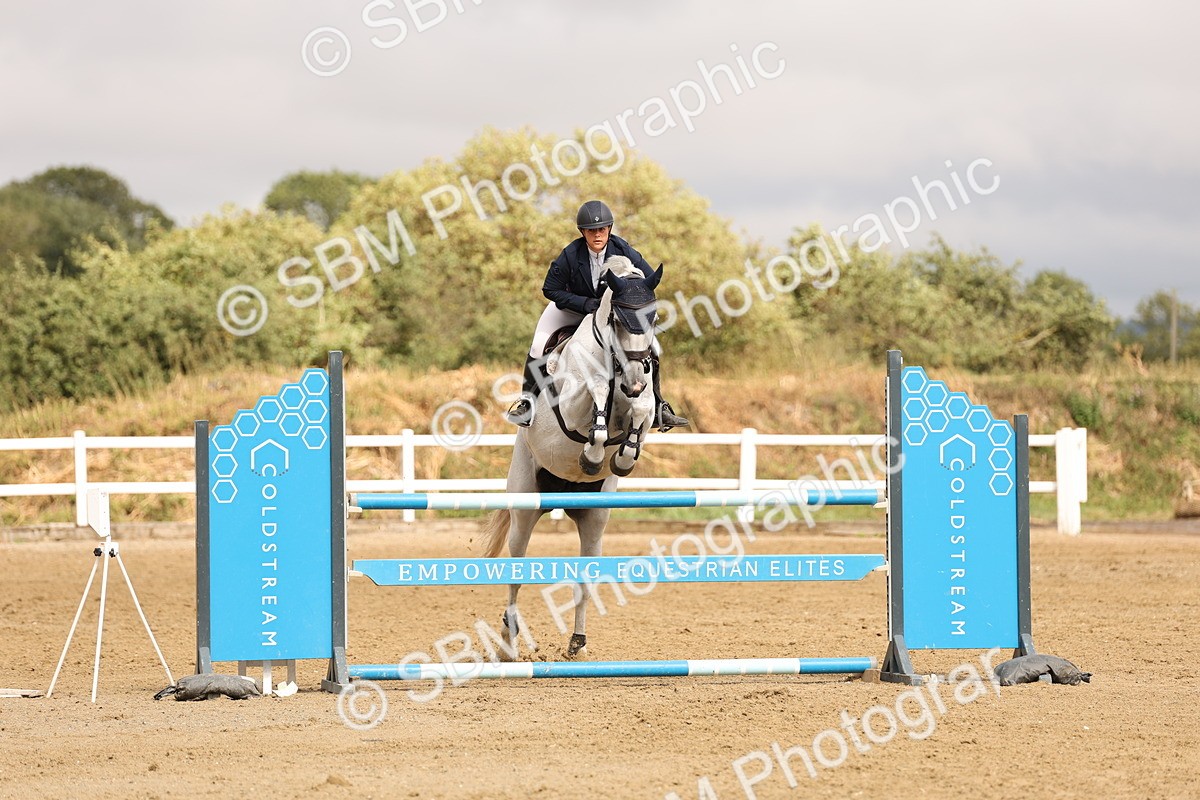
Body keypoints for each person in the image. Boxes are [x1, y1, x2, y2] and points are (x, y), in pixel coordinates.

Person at [505, 199, 689, 431]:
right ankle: (527, 403)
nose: (597, 235)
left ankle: (659, 405)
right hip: (571, 309)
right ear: (583, 232)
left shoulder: (622, 249)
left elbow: (647, 281)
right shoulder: (571, 254)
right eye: (591, 230)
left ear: (609, 229)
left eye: (602, 229)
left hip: (609, 314)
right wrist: (584, 303)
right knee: (538, 343)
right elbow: (550, 289)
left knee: (652, 346)